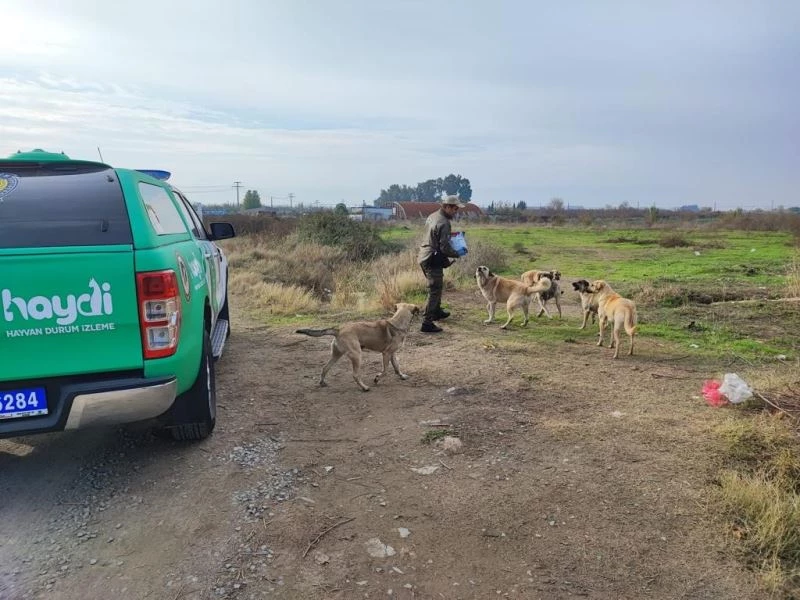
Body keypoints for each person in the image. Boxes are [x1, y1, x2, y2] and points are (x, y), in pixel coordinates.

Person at [417, 195, 468, 333]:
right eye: (454, 208)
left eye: (457, 209)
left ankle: (436, 311)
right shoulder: (444, 222)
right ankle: (427, 323)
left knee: (437, 286)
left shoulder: (432, 216)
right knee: (434, 290)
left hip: (425, 255)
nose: (456, 211)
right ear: (446, 206)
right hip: (432, 258)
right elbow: (444, 247)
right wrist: (458, 253)